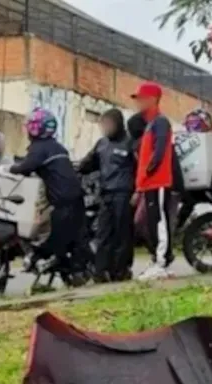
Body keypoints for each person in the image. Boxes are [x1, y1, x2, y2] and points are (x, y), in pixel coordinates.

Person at [10, 108, 91, 279]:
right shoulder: (58, 147)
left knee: (56, 237)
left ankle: (45, 260)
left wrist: (10, 168)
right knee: (77, 237)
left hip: (62, 200)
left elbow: (25, 168)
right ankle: (76, 270)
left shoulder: (39, 148)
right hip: (76, 197)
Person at [78, 108, 135, 282]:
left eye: (109, 124)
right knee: (103, 234)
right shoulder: (101, 144)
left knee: (122, 234)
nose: (106, 128)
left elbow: (140, 168)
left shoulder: (130, 143)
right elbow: (87, 163)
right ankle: (101, 271)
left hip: (124, 194)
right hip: (105, 194)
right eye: (104, 125)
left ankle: (121, 271)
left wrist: (137, 191)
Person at [131, 82, 176, 280]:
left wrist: (150, 170)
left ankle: (161, 262)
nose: (139, 103)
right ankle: (156, 259)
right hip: (148, 183)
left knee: (159, 222)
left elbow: (159, 151)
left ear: (152, 99)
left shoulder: (160, 122)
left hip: (157, 182)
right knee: (149, 223)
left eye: (141, 98)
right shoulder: (149, 124)